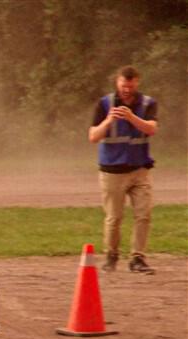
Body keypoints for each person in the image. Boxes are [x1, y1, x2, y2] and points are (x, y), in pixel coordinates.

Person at [88, 65, 158, 274]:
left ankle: (137, 258)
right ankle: (111, 255)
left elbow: (152, 129)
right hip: (112, 171)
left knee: (143, 214)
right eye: (123, 85)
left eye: (131, 85)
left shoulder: (147, 104)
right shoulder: (104, 104)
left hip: (140, 169)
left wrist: (131, 117)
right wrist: (109, 119)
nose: (127, 89)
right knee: (114, 217)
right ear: (117, 83)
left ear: (137, 82)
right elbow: (93, 136)